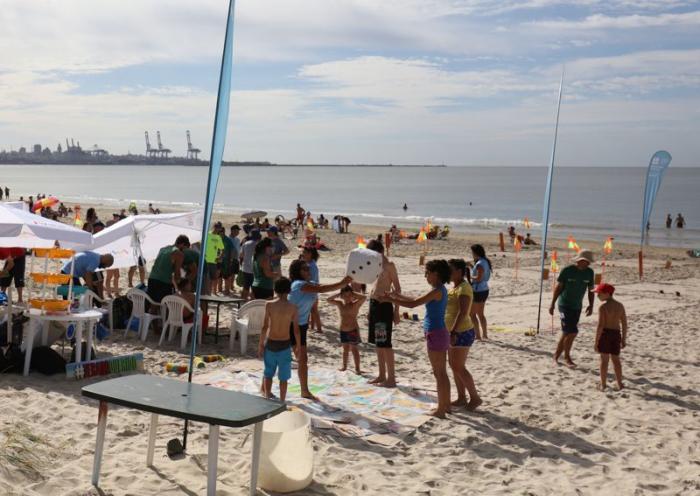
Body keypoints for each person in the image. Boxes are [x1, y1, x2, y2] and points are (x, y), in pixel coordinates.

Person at [386, 260, 451, 418]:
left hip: (436, 333)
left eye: (427, 273)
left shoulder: (437, 290)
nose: (425, 276)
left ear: (436, 274)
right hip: (437, 332)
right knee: (440, 373)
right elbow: (416, 299)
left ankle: (442, 409)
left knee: (440, 373)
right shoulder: (437, 290)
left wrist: (390, 300)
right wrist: (396, 295)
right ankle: (446, 405)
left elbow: (413, 304)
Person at [288, 259, 352, 400]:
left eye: (308, 268)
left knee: (302, 359)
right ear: (298, 272)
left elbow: (323, 287)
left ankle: (304, 390)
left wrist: (344, 282)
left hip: (301, 325)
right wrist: (342, 283)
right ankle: (267, 386)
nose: (308, 271)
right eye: (305, 269)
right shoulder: (299, 285)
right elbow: (322, 289)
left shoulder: (309, 284)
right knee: (287, 357)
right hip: (288, 324)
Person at [549, 249, 595, 368]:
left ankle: (557, 356)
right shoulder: (567, 270)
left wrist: (591, 305)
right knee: (572, 331)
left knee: (568, 332)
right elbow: (558, 288)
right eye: (584, 261)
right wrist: (552, 303)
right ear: (579, 260)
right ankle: (566, 357)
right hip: (564, 305)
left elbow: (591, 290)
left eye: (588, 262)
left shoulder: (590, 273)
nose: (586, 263)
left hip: (577, 306)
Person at [446, 259, 481, 411]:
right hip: (454, 330)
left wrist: (453, 331)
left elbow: (463, 312)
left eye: (451, 270)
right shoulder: (456, 287)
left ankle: (475, 397)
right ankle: (461, 397)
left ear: (459, 271)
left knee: (458, 366)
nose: (448, 273)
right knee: (454, 366)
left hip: (461, 331)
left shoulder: (464, 288)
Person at [258, 277, 300, 402]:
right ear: (289, 291)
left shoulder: (269, 305)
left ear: (275, 290)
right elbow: (296, 330)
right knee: (284, 377)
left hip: (271, 343)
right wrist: (297, 347)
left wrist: (260, 344)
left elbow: (265, 326)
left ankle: (266, 396)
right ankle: (282, 401)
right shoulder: (293, 307)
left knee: (268, 373)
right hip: (285, 345)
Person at [366, 239, 401, 387]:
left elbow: (398, 289)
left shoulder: (389, 266)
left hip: (384, 307)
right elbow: (374, 287)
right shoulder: (374, 265)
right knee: (378, 343)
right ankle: (381, 375)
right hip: (374, 305)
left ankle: (391, 378)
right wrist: (369, 310)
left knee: (385, 343)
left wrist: (396, 311)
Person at [593, 283, 627, 391]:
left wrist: (596, 341)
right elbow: (624, 323)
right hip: (616, 334)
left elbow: (600, 325)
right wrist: (623, 339)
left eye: (599, 293)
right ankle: (620, 383)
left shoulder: (603, 307)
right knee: (616, 360)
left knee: (604, 360)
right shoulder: (620, 305)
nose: (597, 296)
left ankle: (603, 384)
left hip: (606, 334)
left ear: (607, 293)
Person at [327, 286, 366, 374]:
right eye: (345, 296)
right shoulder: (340, 304)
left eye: (349, 296)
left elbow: (364, 297)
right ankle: (344, 366)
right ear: (342, 296)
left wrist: (353, 293)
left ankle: (357, 368)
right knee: (345, 349)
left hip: (353, 330)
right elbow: (328, 300)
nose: (347, 298)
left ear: (352, 296)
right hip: (343, 330)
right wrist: (338, 294)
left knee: (354, 349)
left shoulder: (355, 304)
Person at [147, 235, 190, 305]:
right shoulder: (179, 254)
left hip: (152, 279)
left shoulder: (163, 249)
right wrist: (181, 284)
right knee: (166, 306)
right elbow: (177, 274)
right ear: (182, 244)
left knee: (153, 305)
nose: (185, 251)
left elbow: (161, 266)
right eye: (185, 249)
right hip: (163, 282)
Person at [469, 244, 491, 340]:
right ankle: (484, 334)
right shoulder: (484, 261)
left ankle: (478, 335)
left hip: (478, 290)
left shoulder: (479, 264)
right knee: (480, 314)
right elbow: (480, 274)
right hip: (484, 289)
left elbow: (478, 278)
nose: (472, 254)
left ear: (475, 253)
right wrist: (471, 266)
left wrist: (469, 277)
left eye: (472, 252)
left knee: (472, 314)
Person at [301, 246, 323, 332]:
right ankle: (312, 327)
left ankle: (319, 329)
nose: (302, 254)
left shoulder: (312, 266)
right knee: (312, 310)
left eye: (304, 253)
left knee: (313, 311)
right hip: (312, 290)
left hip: (312, 290)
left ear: (310, 254)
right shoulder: (310, 263)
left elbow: (312, 280)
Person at [205, 222, 225, 294]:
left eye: (219, 227)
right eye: (216, 227)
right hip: (205, 260)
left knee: (212, 278)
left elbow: (222, 249)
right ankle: (206, 292)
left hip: (213, 261)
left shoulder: (218, 237)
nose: (217, 229)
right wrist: (202, 254)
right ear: (213, 226)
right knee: (205, 278)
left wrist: (220, 257)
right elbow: (198, 244)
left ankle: (209, 293)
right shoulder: (207, 235)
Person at [239, 229, 260, 299]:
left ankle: (243, 301)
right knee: (254, 288)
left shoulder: (246, 243)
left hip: (246, 268)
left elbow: (241, 255)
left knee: (246, 286)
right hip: (255, 269)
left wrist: (241, 263)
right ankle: (252, 302)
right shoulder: (259, 244)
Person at [225, 225, 241, 294]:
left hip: (236, 259)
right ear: (232, 230)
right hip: (229, 259)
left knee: (234, 273)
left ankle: (231, 286)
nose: (238, 232)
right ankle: (227, 289)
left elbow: (238, 249)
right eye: (237, 231)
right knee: (228, 274)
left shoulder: (238, 239)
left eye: (238, 231)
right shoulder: (228, 239)